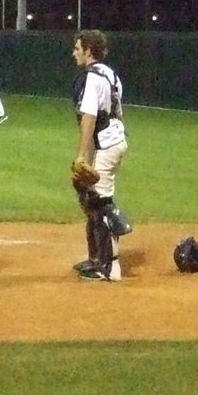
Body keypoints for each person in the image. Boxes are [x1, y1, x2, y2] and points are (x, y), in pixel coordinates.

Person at [70, 29, 133, 282]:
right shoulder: (109, 73)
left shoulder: (91, 78)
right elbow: (119, 110)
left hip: (106, 145)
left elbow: (89, 117)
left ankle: (110, 268)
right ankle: (96, 258)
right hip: (114, 140)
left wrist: (82, 155)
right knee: (90, 198)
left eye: (77, 48)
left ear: (88, 50)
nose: (74, 52)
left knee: (99, 202)